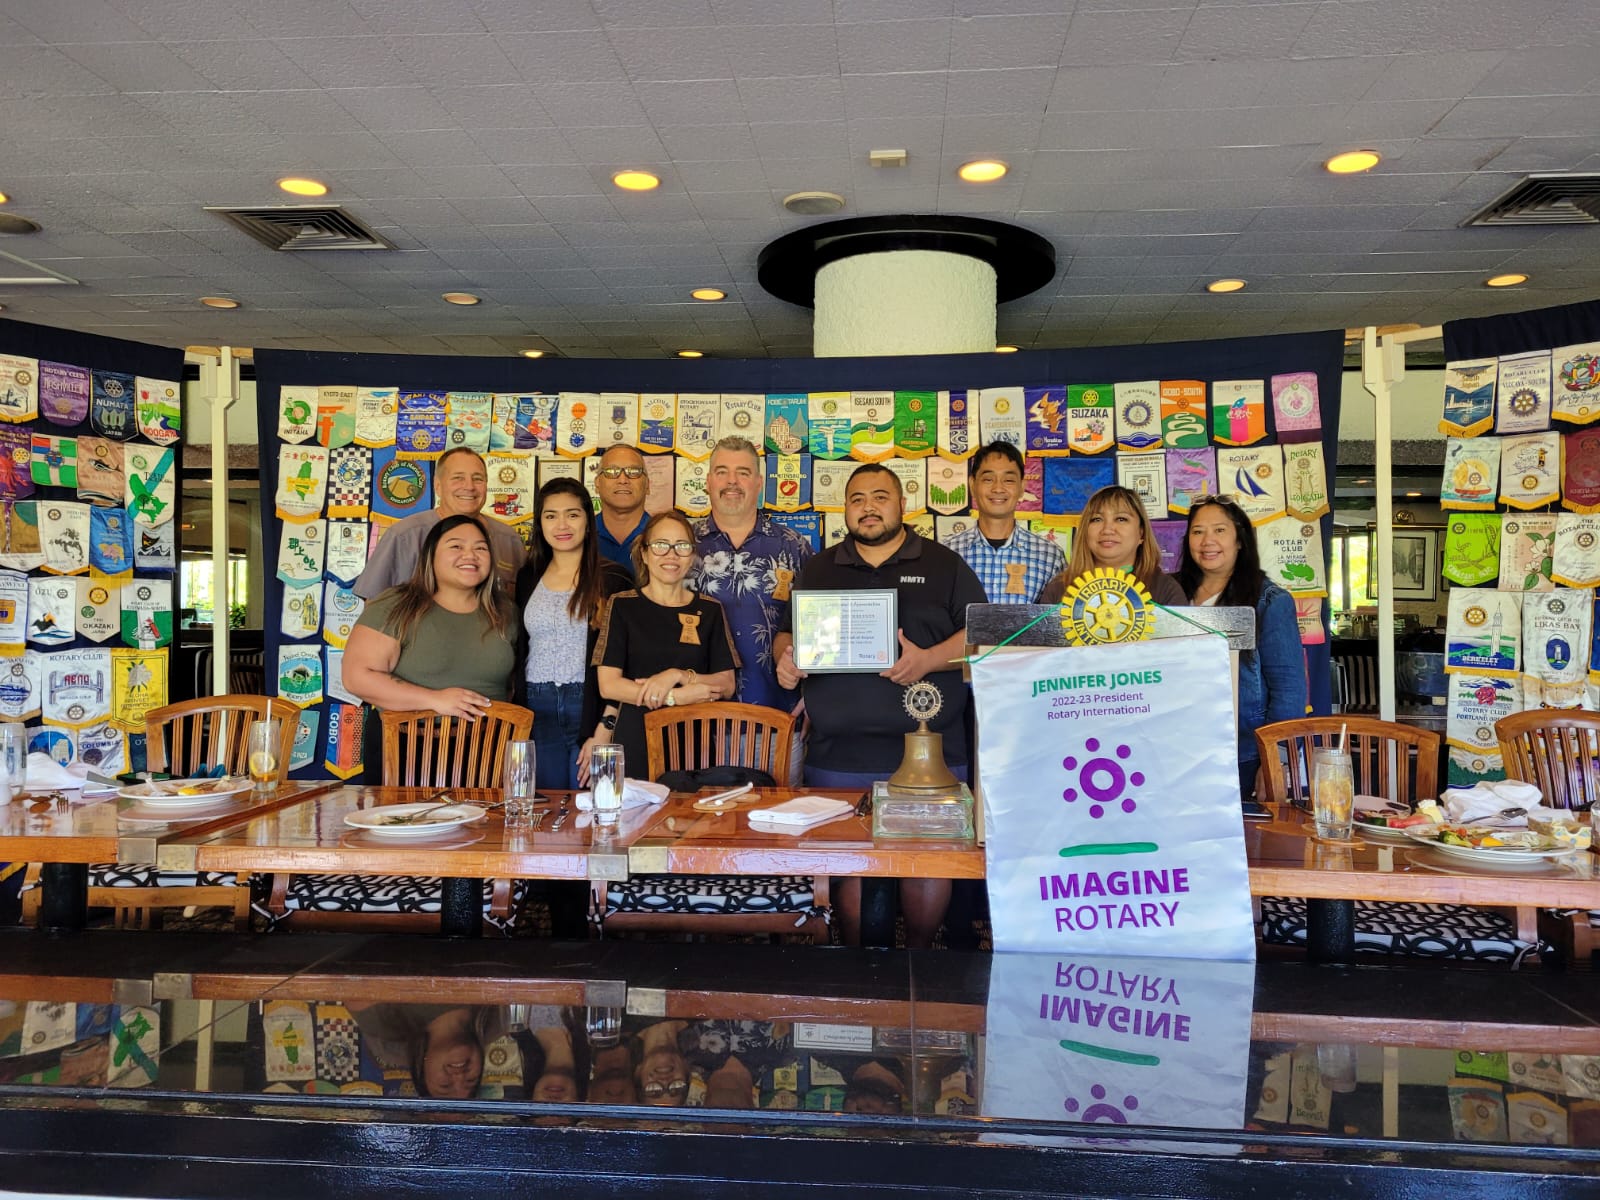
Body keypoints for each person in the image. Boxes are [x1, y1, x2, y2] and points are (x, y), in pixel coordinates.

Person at [774, 463, 987, 948]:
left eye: (879, 497)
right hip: (837, 754)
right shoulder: (820, 566)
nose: (868, 507)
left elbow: (982, 638)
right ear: (845, 510)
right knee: (848, 864)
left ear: (902, 505)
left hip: (929, 755)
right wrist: (785, 660)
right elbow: (789, 631)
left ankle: (917, 959)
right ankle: (858, 967)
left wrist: (929, 659)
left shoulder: (944, 564)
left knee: (927, 862)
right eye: (856, 499)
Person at [1175, 494, 1307, 801]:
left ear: (1240, 540)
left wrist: (1277, 760)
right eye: (1198, 531)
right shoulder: (1172, 593)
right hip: (1179, 751)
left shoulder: (1270, 601)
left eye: (1219, 530)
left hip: (1243, 754)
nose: (1208, 541)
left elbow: (1289, 690)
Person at [593, 509, 740, 779]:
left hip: (695, 744)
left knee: (693, 819)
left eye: (681, 546)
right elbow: (609, 684)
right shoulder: (623, 605)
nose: (671, 555)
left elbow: (726, 684)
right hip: (635, 739)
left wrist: (677, 676)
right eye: (661, 545)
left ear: (692, 556)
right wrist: (675, 697)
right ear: (645, 554)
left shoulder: (709, 610)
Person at [513, 477, 633, 790]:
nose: (562, 524)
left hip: (590, 704)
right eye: (550, 515)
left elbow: (628, 658)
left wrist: (606, 727)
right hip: (537, 708)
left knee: (590, 807)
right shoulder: (528, 576)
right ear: (539, 524)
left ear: (588, 522)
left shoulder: (614, 578)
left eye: (573, 514)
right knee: (548, 809)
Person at [343, 514, 516, 719]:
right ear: (430, 555)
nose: (470, 555)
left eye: (480, 548)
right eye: (456, 547)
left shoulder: (506, 611)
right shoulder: (396, 604)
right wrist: (434, 699)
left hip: (492, 745)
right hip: (409, 745)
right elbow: (356, 677)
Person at [690, 435, 812, 710]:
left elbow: (816, 630)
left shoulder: (792, 546)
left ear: (759, 483)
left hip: (777, 717)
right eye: (722, 472)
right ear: (708, 482)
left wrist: (816, 699)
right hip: (694, 722)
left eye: (743, 473)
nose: (732, 481)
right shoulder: (682, 546)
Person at [354, 446, 526, 600]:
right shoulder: (403, 536)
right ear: (437, 486)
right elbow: (373, 607)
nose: (469, 486)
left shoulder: (509, 540)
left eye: (478, 479)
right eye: (458, 478)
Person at [946, 441, 1065, 604]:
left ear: (1022, 487)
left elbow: (1058, 621)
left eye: (1008, 480)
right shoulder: (948, 553)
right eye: (988, 479)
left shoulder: (1050, 556)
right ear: (972, 485)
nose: (998, 488)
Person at [1037, 484, 1188, 608]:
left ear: (1141, 534)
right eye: (1096, 519)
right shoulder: (1059, 588)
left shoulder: (1166, 589)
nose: (1107, 529)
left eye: (1121, 519)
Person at [349, 1003, 506, 1100]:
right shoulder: (496, 1021)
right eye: (471, 1081)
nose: (459, 1077)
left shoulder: (388, 1035)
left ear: (421, 1071)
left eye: (445, 1086)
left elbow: (354, 988)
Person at [594, 443, 652, 574]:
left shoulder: (663, 536)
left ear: (647, 485)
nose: (623, 479)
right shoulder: (579, 535)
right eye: (611, 472)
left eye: (634, 472)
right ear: (597, 484)